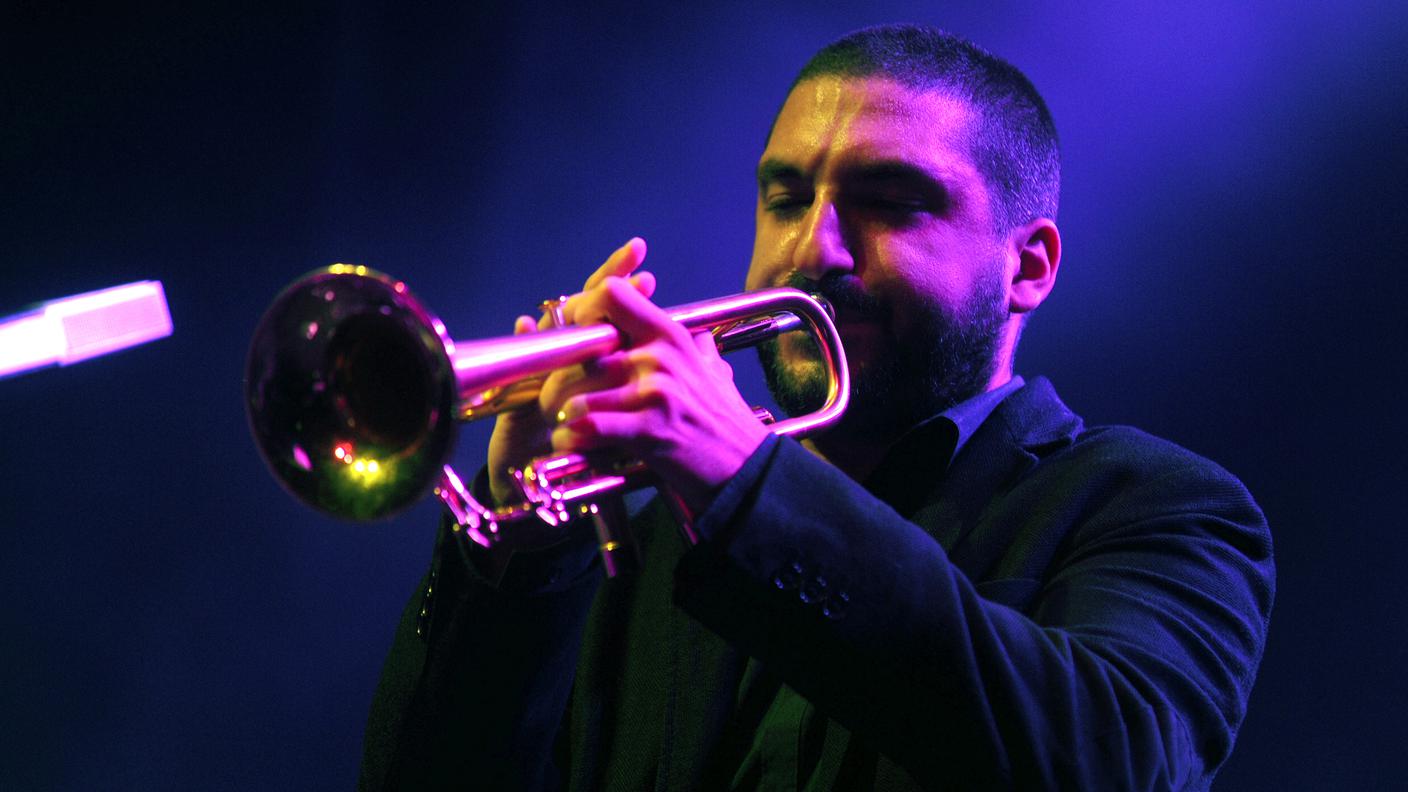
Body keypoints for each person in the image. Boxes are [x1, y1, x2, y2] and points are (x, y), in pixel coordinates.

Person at [359, 25, 1274, 791]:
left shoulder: (1158, 510)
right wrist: (521, 551)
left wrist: (750, 487)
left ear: (1026, 265)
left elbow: (1108, 766)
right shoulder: (637, 541)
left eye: (890, 203)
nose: (812, 250)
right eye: (787, 197)